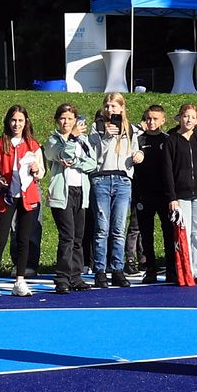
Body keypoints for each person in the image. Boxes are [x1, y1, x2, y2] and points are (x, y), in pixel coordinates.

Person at [0, 105, 45, 297]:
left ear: (26, 122)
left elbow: (41, 171)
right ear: (8, 121)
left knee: (24, 239)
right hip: (7, 196)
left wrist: (36, 170)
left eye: (20, 120)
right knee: (0, 238)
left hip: (27, 196)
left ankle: (20, 280)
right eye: (13, 120)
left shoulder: (33, 144)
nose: (16, 124)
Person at [87, 103, 143, 287]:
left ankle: (118, 269)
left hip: (122, 180)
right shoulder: (97, 127)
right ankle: (100, 270)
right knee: (102, 228)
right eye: (107, 106)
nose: (110, 110)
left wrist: (139, 155)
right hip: (101, 178)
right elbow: (94, 155)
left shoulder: (129, 129)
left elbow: (134, 150)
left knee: (119, 228)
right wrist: (106, 137)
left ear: (122, 108)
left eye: (114, 106)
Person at [44, 103, 95, 293]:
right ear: (57, 120)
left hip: (81, 191)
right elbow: (62, 154)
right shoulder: (53, 140)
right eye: (63, 118)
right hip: (61, 193)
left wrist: (76, 162)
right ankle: (62, 278)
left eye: (70, 119)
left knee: (78, 237)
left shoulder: (84, 140)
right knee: (67, 236)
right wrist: (71, 138)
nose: (66, 122)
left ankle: (76, 276)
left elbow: (92, 163)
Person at [165, 103, 197, 284]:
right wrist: (172, 197)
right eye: (186, 116)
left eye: (192, 117)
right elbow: (168, 170)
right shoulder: (172, 140)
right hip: (181, 195)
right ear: (180, 118)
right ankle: (185, 269)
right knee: (184, 234)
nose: (189, 120)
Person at [131, 104, 178, 284]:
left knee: (168, 232)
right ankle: (150, 269)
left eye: (155, 119)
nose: (151, 122)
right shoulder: (138, 140)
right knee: (146, 234)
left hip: (164, 195)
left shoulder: (168, 140)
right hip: (144, 194)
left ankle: (171, 269)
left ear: (163, 120)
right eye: (148, 118)